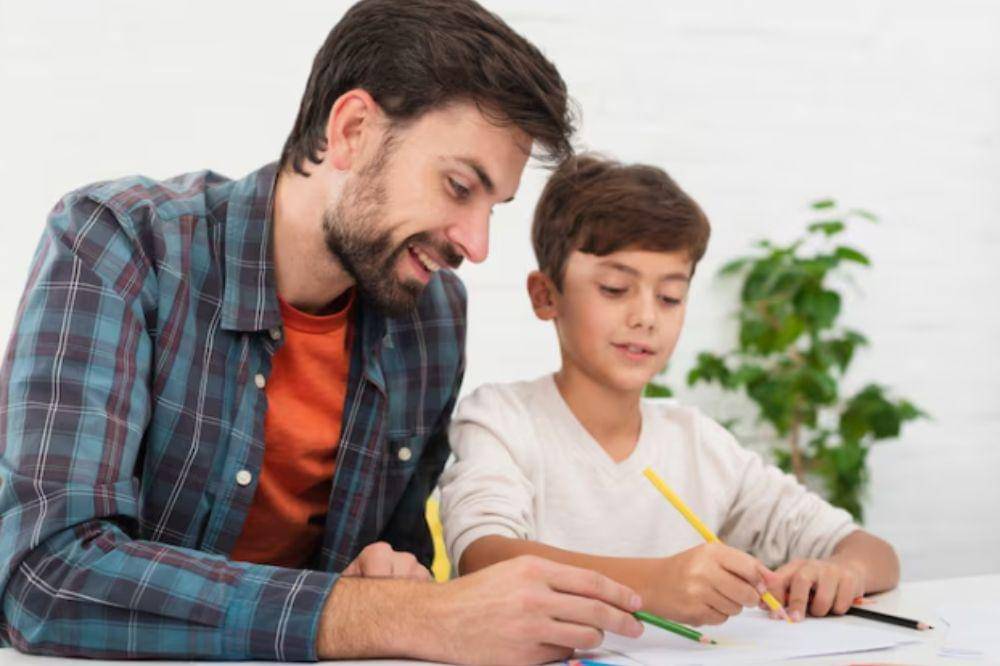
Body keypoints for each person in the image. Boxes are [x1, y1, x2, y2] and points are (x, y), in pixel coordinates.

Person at [0, 3, 647, 662]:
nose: (476, 245)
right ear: (353, 130)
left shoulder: (433, 318)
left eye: (493, 208)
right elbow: (44, 577)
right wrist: (384, 612)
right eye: (458, 186)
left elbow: (396, 577)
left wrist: (396, 580)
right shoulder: (119, 244)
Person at [439, 154, 900, 628]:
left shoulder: (698, 443)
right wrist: (654, 585)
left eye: (669, 297)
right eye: (615, 288)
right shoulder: (502, 420)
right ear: (545, 296)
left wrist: (843, 571)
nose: (646, 317)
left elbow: (873, 552)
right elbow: (485, 557)